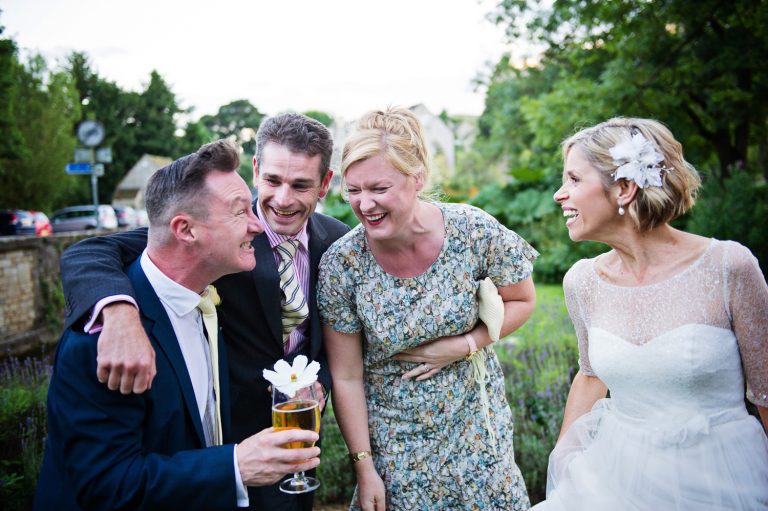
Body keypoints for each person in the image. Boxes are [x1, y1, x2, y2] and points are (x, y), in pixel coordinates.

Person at [57, 114, 349, 511]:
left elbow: (339, 338)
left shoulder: (337, 242)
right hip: (220, 449)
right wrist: (119, 311)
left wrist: (320, 385)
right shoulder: (213, 233)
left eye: (300, 185)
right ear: (257, 170)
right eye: (273, 181)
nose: (281, 200)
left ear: (324, 183)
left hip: (296, 443)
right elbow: (90, 252)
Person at [534, 118, 768, 510]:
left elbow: (766, 393)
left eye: (574, 179)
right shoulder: (582, 282)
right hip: (614, 481)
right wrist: (565, 463)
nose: (560, 194)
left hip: (722, 479)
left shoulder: (728, 267)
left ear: (624, 188)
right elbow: (591, 375)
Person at [317, 106, 538, 511]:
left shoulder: (474, 232)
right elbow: (346, 376)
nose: (364, 204)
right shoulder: (341, 265)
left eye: (378, 189)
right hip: (394, 445)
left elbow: (522, 300)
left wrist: (468, 343)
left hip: (477, 433)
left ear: (417, 178)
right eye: (353, 190)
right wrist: (364, 467)